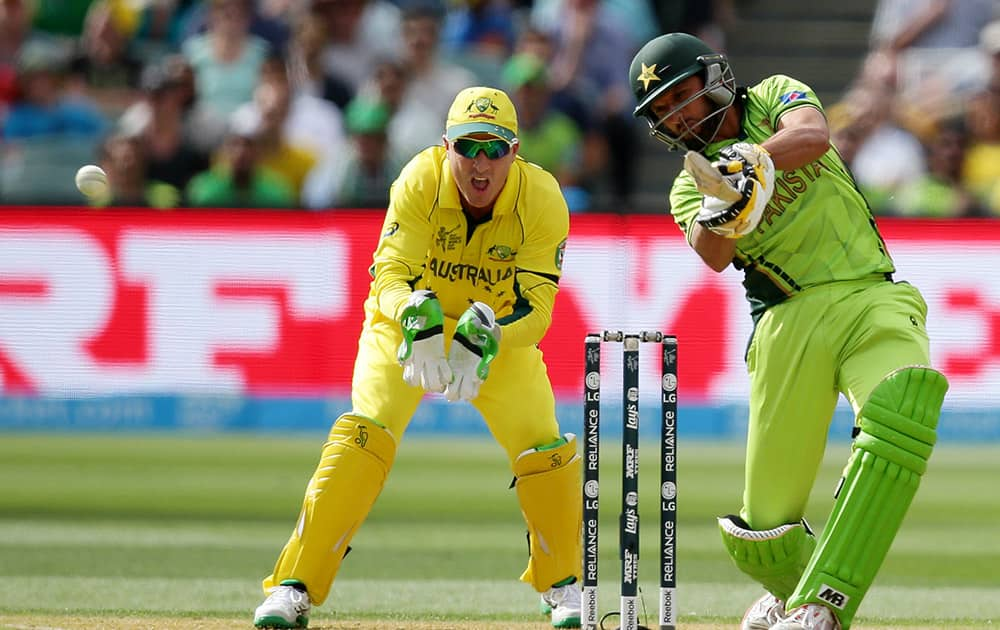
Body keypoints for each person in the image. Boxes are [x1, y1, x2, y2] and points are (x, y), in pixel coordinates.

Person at [628, 33, 949, 630]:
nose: (680, 117)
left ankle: (820, 605)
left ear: (714, 78)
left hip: (869, 296)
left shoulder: (773, 96)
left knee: (903, 401)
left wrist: (750, 162)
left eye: (684, 97)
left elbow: (812, 135)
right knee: (762, 535)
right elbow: (712, 254)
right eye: (664, 113)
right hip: (784, 324)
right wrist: (720, 205)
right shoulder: (686, 186)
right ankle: (787, 590)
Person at [252, 86, 582, 629]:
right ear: (445, 144)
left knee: (544, 447)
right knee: (364, 433)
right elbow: (387, 276)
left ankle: (565, 588)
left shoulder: (542, 199)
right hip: (409, 329)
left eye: (495, 149)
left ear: (515, 151)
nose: (481, 165)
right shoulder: (420, 179)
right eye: (468, 147)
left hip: (492, 335)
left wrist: (492, 332)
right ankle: (293, 587)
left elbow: (538, 311)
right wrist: (411, 313)